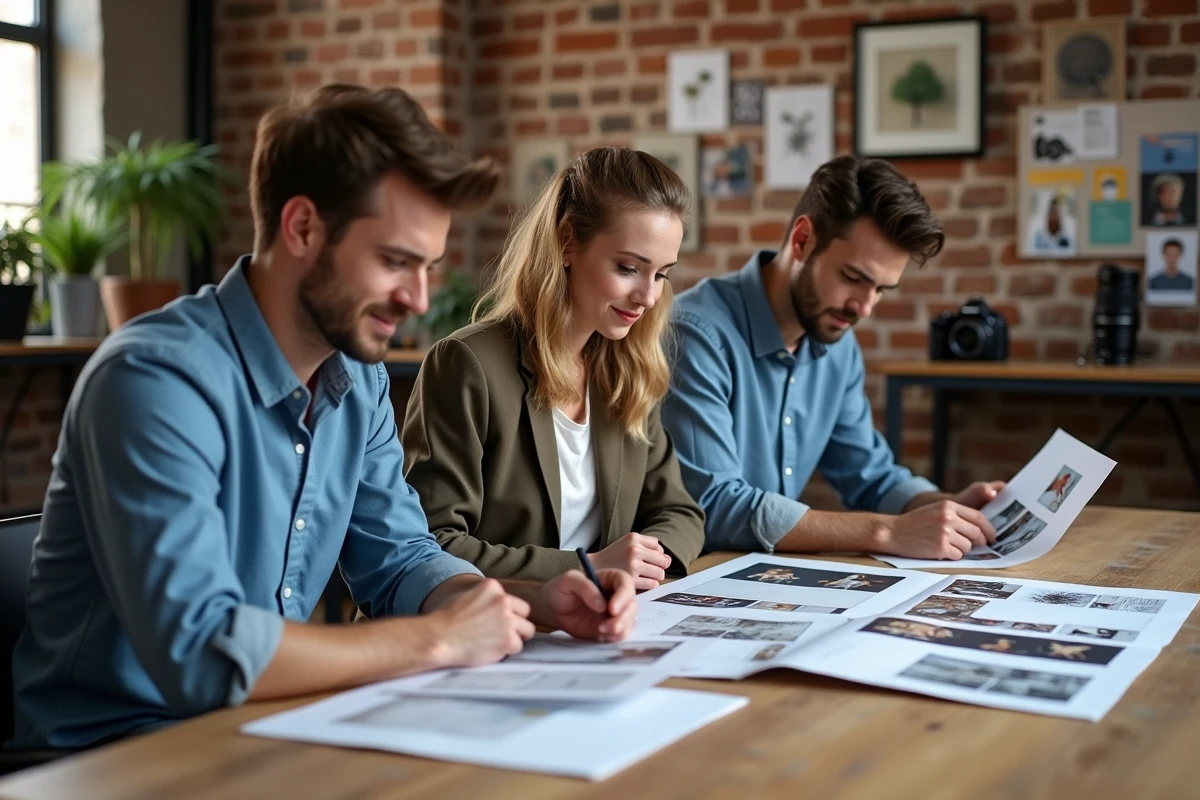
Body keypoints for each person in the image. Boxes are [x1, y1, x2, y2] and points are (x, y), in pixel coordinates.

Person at [9, 85, 635, 752]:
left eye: (427, 267)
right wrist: (438, 638)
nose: (418, 299)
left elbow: (398, 561)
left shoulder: (356, 378)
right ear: (302, 227)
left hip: (266, 735)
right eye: (395, 261)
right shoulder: (154, 381)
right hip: (112, 757)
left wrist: (523, 603)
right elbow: (202, 652)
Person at [663, 155, 1005, 562]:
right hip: (684, 580)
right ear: (803, 240)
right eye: (854, 278)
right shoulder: (695, 334)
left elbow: (870, 477)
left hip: (761, 579)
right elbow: (714, 505)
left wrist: (941, 506)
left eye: (882, 289)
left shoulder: (838, 345)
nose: (864, 307)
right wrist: (887, 531)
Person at [401, 147, 706, 590]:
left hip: (597, 629)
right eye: (628, 268)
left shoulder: (627, 368)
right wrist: (588, 567)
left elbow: (680, 512)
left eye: (661, 274)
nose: (648, 296)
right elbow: (432, 544)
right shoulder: (467, 364)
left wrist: (637, 564)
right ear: (567, 242)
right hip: (487, 628)